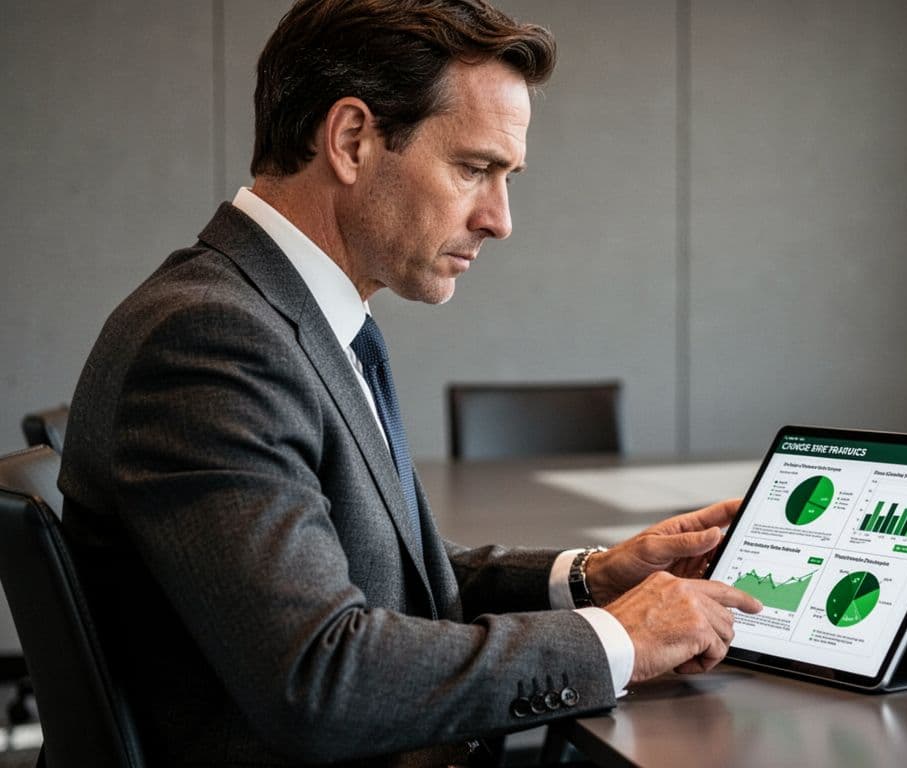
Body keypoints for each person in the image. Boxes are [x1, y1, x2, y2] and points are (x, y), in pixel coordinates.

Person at [56, 0, 761, 765]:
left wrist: (592, 577)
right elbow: (322, 678)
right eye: (474, 169)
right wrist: (620, 638)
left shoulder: (295, 317)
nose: (500, 219)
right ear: (353, 140)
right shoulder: (209, 341)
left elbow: (392, 573)